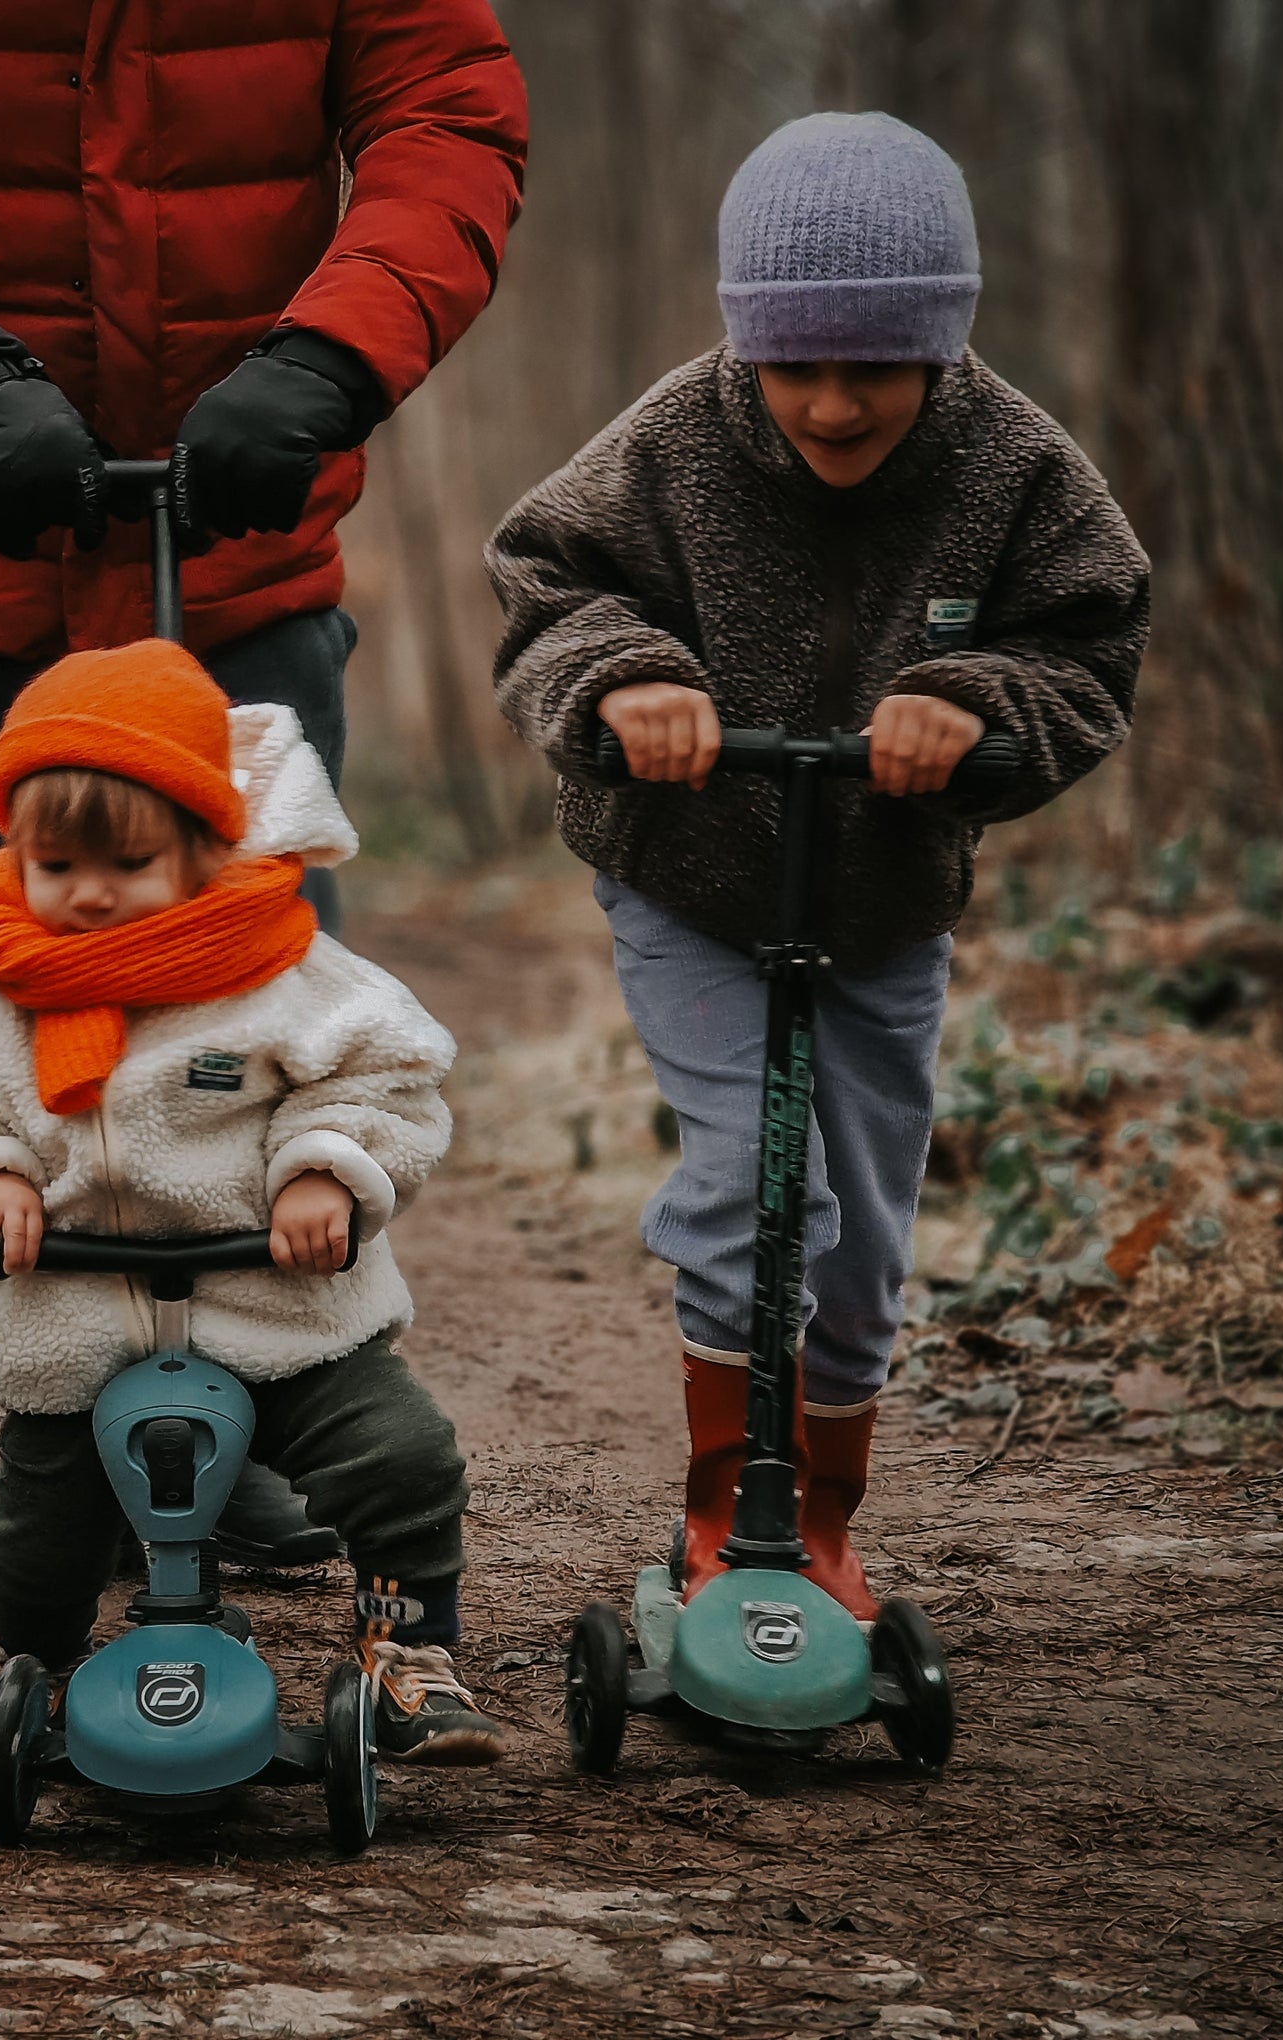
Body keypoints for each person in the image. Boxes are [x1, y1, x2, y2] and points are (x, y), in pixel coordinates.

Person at [0, 0, 530, 1570]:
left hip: (236, 534)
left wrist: (329, 357)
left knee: (257, 1006)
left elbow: (446, 121)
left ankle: (271, 1400)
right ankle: (71, 1447)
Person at [486, 113, 1147, 1619]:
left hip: (887, 896)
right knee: (750, 1184)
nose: (835, 407)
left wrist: (978, 709)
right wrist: (625, 679)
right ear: (745, 348)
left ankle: (826, 1520)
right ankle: (725, 1514)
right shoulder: (670, 444)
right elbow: (545, 578)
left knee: (862, 1231)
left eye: (878, 371)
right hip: (693, 879)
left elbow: (1091, 643)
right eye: (797, 369)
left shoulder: (1018, 468)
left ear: (946, 350)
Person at [0, 642, 502, 1764]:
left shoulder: (277, 969)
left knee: (402, 1455)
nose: (86, 893)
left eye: (127, 863)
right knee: (37, 1540)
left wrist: (324, 1167)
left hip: (274, 1308)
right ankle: (26, 1671)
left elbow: (386, 1072)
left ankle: (410, 1650)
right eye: (54, 865)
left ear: (203, 847)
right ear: (13, 852)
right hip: (70, 1320)